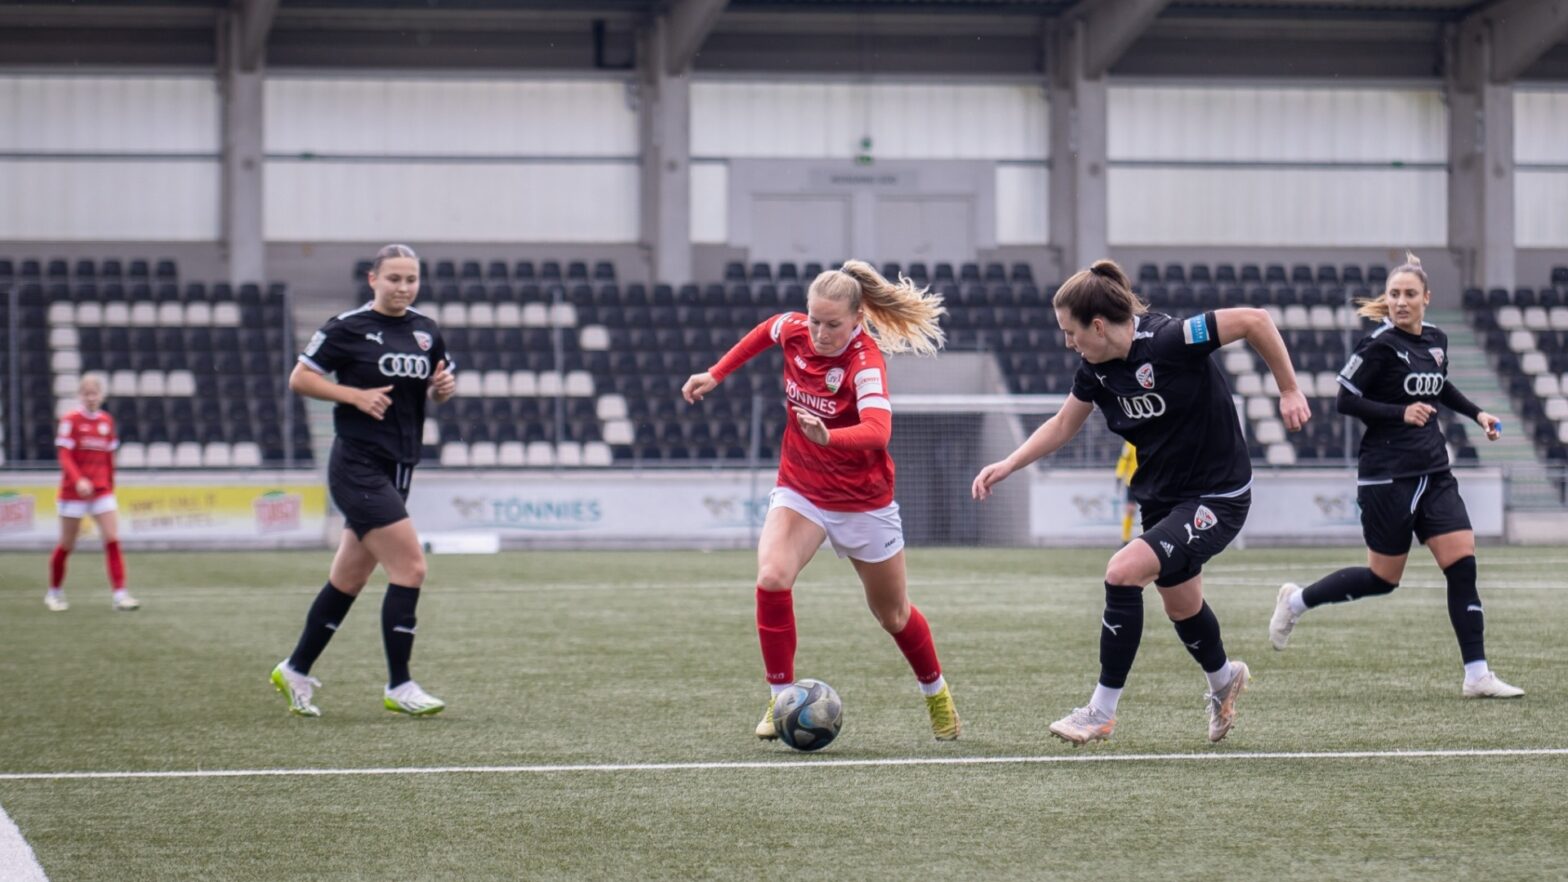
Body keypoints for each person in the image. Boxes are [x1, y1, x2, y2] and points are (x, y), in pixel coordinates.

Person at [973, 259, 1310, 745]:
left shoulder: (1173, 339)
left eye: (1070, 332)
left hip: (1218, 494)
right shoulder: (1095, 369)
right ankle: (1224, 680)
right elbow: (1064, 425)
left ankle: (1101, 711)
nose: (1067, 342)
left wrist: (1289, 389)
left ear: (1098, 325)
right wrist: (1007, 464)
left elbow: (1256, 319)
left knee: (1122, 570)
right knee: (1182, 607)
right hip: (1163, 498)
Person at [681, 260, 961, 741]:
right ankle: (780, 698)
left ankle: (936, 694)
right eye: (814, 319)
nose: (819, 332)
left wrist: (829, 437)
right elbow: (766, 329)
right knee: (772, 578)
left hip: (863, 502)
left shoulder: (865, 361)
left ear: (856, 320)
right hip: (802, 489)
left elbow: (878, 430)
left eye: (833, 324)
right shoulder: (794, 329)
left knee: (892, 615)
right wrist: (716, 372)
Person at [1269, 252, 1522, 699]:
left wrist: (1478, 413)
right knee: (1383, 578)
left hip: (1434, 471)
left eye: (1409, 294)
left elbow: (1440, 386)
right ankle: (1295, 601)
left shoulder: (1437, 340)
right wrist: (1399, 412)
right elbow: (1345, 400)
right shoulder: (1378, 344)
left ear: (1427, 297)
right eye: (1394, 294)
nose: (1400, 302)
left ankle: (1477, 673)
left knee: (1462, 565)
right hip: (1387, 475)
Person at [271, 243, 457, 717]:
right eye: (393, 278)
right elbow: (300, 378)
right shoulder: (347, 327)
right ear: (373, 279)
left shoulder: (425, 331)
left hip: (399, 467)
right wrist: (353, 395)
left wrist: (442, 390)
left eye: (411, 279)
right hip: (357, 466)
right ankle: (400, 685)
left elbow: (437, 389)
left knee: (348, 579)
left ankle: (294, 668)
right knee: (411, 568)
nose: (403, 287)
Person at [46, 372, 139, 612]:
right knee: (67, 543)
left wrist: (110, 486)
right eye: (86, 394)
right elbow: (65, 455)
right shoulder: (70, 420)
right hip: (73, 492)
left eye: (94, 393)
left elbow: (109, 458)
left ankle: (120, 595)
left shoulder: (107, 421)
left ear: (101, 396)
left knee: (113, 539)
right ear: (80, 395)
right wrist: (78, 480)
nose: (91, 398)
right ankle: (54, 592)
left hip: (101, 491)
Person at [1115, 441, 1138, 544]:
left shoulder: (1152, 439)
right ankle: (1125, 539)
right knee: (1130, 509)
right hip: (1132, 482)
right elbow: (1123, 459)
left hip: (1148, 482)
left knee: (1149, 511)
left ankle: (1148, 538)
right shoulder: (1130, 442)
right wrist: (1119, 475)